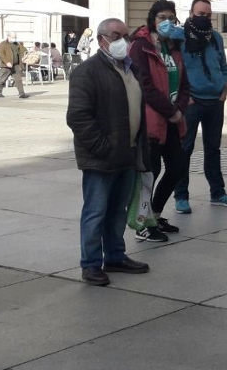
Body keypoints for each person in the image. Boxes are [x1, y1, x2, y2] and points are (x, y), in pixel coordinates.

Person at [66, 18, 150, 286]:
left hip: (127, 153)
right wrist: (103, 147)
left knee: (117, 210)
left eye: (126, 36)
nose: (122, 41)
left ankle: (115, 255)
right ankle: (90, 264)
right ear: (101, 39)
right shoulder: (87, 72)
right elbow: (78, 117)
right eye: (116, 36)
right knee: (96, 211)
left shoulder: (130, 69)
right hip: (101, 157)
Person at [128, 0, 189, 242]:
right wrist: (169, 110)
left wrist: (180, 108)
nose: (167, 22)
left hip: (174, 120)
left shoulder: (174, 46)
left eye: (171, 18)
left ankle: (155, 213)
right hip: (151, 121)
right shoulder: (140, 46)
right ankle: (142, 223)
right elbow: (145, 85)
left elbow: (185, 83)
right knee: (149, 173)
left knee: (177, 169)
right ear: (152, 19)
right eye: (162, 17)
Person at [173, 0, 227, 214]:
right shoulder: (180, 36)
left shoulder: (216, 38)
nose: (205, 18)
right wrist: (185, 96)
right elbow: (176, 66)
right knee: (185, 148)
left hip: (214, 101)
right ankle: (181, 195)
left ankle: (218, 192)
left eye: (208, 15)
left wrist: (224, 88)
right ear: (191, 13)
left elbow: (222, 64)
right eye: (200, 14)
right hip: (192, 101)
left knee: (213, 148)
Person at [0, 32, 28, 99]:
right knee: (3, 79)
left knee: (18, 79)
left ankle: (21, 93)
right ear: (8, 36)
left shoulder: (17, 44)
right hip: (6, 65)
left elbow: (23, 50)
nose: (14, 38)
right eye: (13, 37)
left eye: (15, 37)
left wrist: (27, 53)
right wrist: (6, 62)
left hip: (15, 65)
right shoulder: (3, 44)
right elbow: (0, 54)